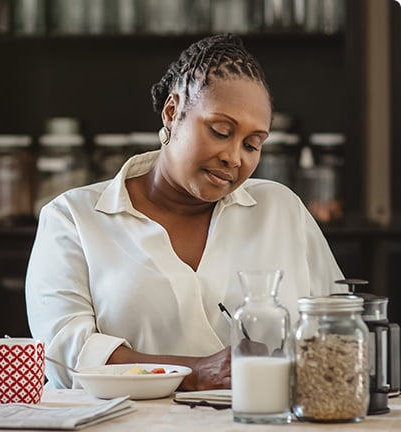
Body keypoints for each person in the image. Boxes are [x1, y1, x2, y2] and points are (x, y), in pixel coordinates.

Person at [25, 34, 344, 391]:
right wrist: (197, 372)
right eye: (221, 131)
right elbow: (66, 356)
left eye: (253, 144)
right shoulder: (73, 217)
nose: (234, 158)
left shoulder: (281, 210)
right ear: (173, 112)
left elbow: (340, 333)